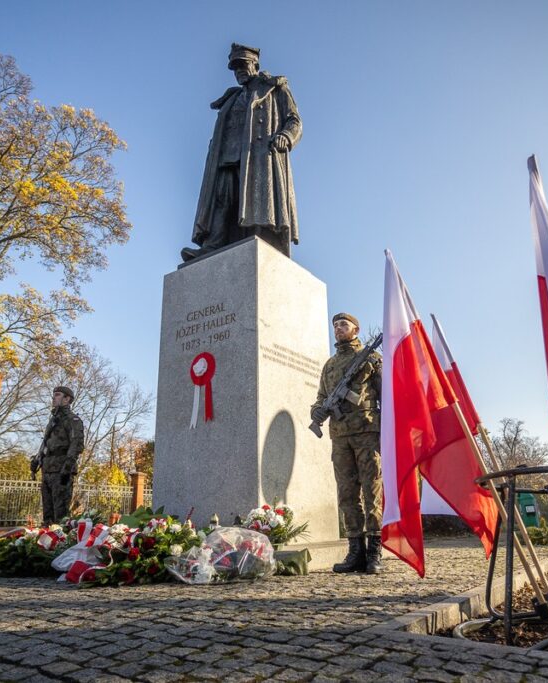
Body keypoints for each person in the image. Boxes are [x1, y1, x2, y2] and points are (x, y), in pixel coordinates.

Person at [181, 43, 302, 262]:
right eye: (235, 68)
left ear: (255, 64)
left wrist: (286, 135)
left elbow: (294, 120)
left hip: (258, 156)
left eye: (243, 65)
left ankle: (262, 237)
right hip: (227, 156)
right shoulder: (231, 98)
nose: (239, 72)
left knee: (257, 199)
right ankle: (214, 243)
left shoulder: (274, 87)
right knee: (222, 199)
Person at [311, 313, 384, 574]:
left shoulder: (372, 358)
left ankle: (375, 550)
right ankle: (355, 550)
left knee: (371, 490)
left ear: (356, 329)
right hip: (339, 435)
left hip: (367, 432)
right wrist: (317, 412)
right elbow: (321, 397)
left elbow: (387, 396)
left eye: (343, 324)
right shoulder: (329, 365)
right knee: (346, 494)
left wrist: (386, 430)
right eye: (335, 326)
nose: (338, 329)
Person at [36, 386, 85, 525]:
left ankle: (59, 544)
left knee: (60, 515)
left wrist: (66, 468)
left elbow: (76, 445)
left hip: (61, 471)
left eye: (57, 395)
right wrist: (37, 459)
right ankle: (45, 542)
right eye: (54, 395)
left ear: (67, 399)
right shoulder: (52, 421)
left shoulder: (73, 420)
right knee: (47, 514)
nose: (53, 398)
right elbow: (45, 444)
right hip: (47, 469)